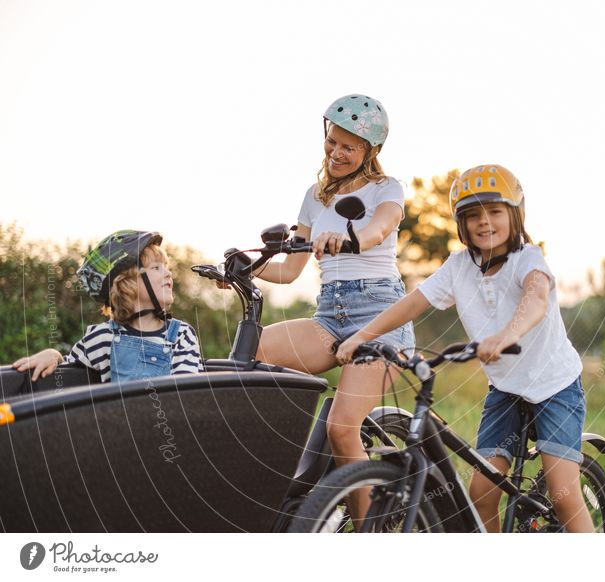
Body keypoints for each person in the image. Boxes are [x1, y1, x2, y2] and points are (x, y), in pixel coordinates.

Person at [336, 164, 594, 532]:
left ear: (515, 215)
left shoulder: (528, 258)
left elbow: (536, 297)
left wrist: (505, 336)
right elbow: (412, 303)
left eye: (494, 211)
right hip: (505, 390)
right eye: (472, 215)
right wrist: (363, 336)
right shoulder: (459, 267)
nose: (484, 222)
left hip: (555, 386)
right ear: (461, 223)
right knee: (482, 491)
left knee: (564, 493)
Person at [250, 95, 414, 521]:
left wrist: (353, 238)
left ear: (369, 152)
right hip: (330, 315)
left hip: (380, 316)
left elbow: (381, 227)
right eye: (333, 143)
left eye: (349, 147)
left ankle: (366, 536)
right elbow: (290, 270)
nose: (337, 153)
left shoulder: (386, 189)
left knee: (343, 428)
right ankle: (276, 473)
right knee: (254, 352)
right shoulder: (315, 195)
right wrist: (247, 269)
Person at [13, 230, 203, 383]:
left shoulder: (181, 335)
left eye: (166, 266)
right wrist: (53, 355)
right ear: (127, 283)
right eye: (156, 268)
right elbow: (70, 371)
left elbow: (187, 397)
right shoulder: (103, 338)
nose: (169, 273)